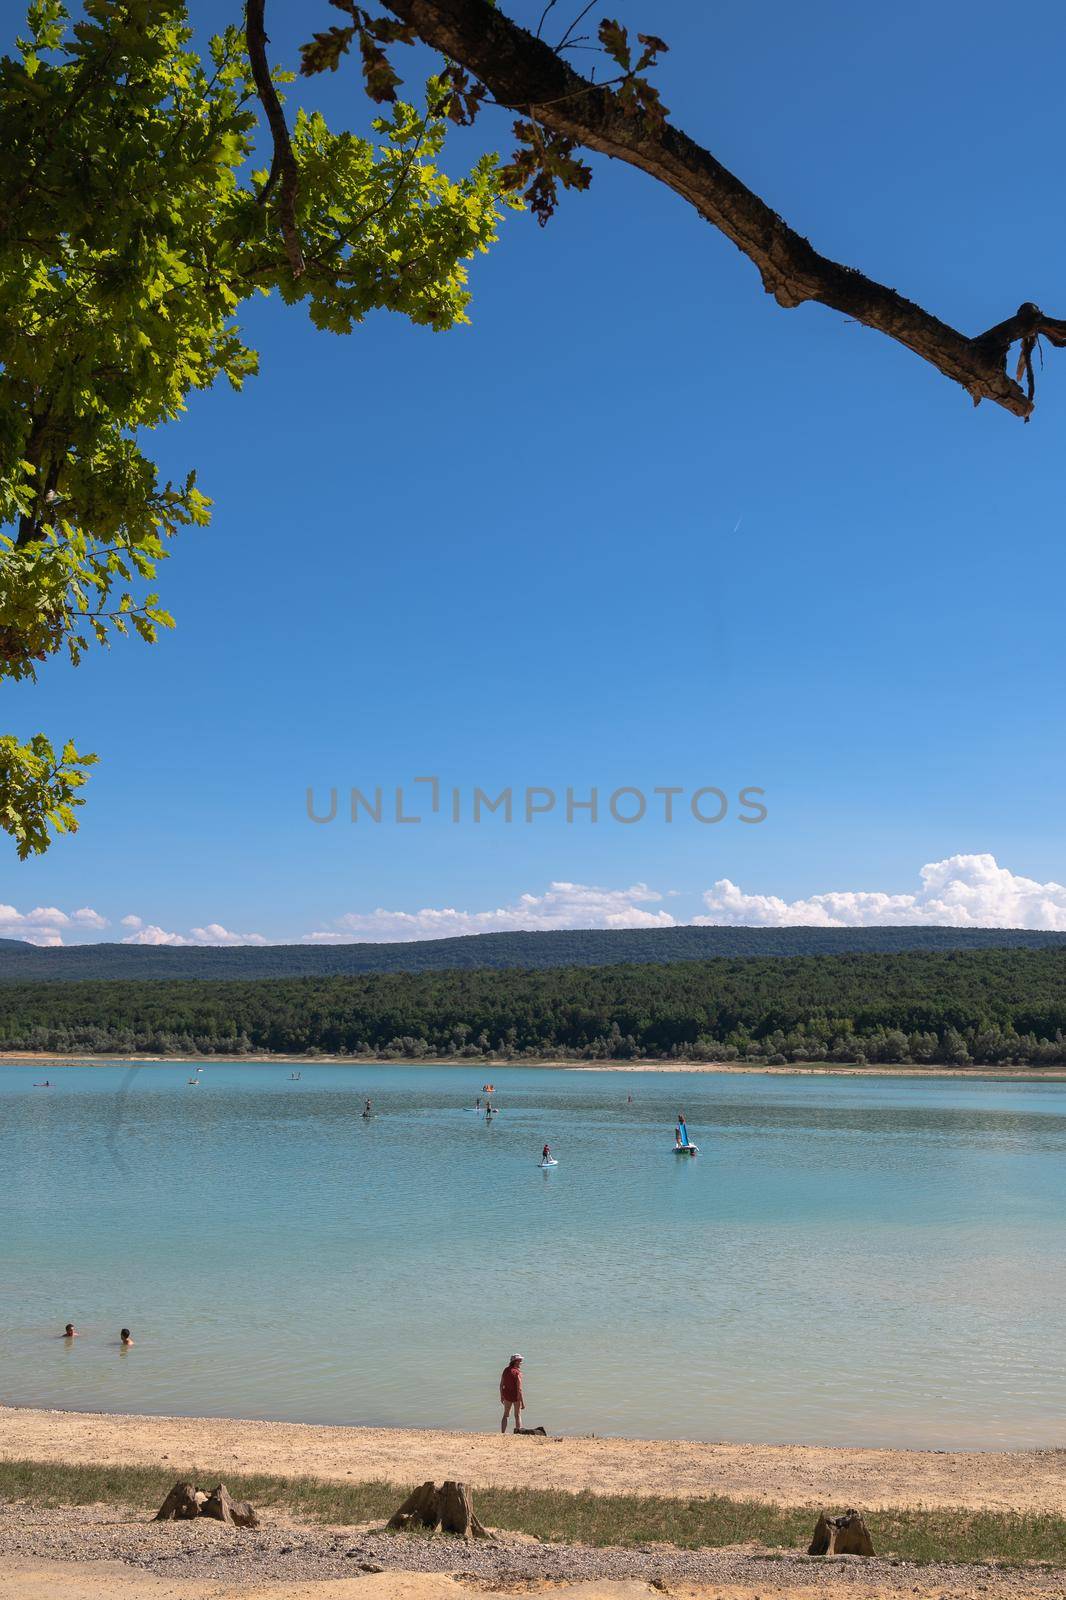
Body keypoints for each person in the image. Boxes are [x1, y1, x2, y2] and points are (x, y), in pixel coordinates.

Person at [499, 1353, 524, 1433]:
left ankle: (503, 1433)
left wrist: (502, 1396)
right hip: (516, 1396)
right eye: (520, 1361)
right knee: (517, 1415)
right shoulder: (517, 1373)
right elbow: (519, 1389)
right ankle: (518, 1432)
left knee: (505, 1415)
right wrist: (522, 1402)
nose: (521, 1362)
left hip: (507, 1395)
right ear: (516, 1362)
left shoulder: (505, 1370)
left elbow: (501, 1384)